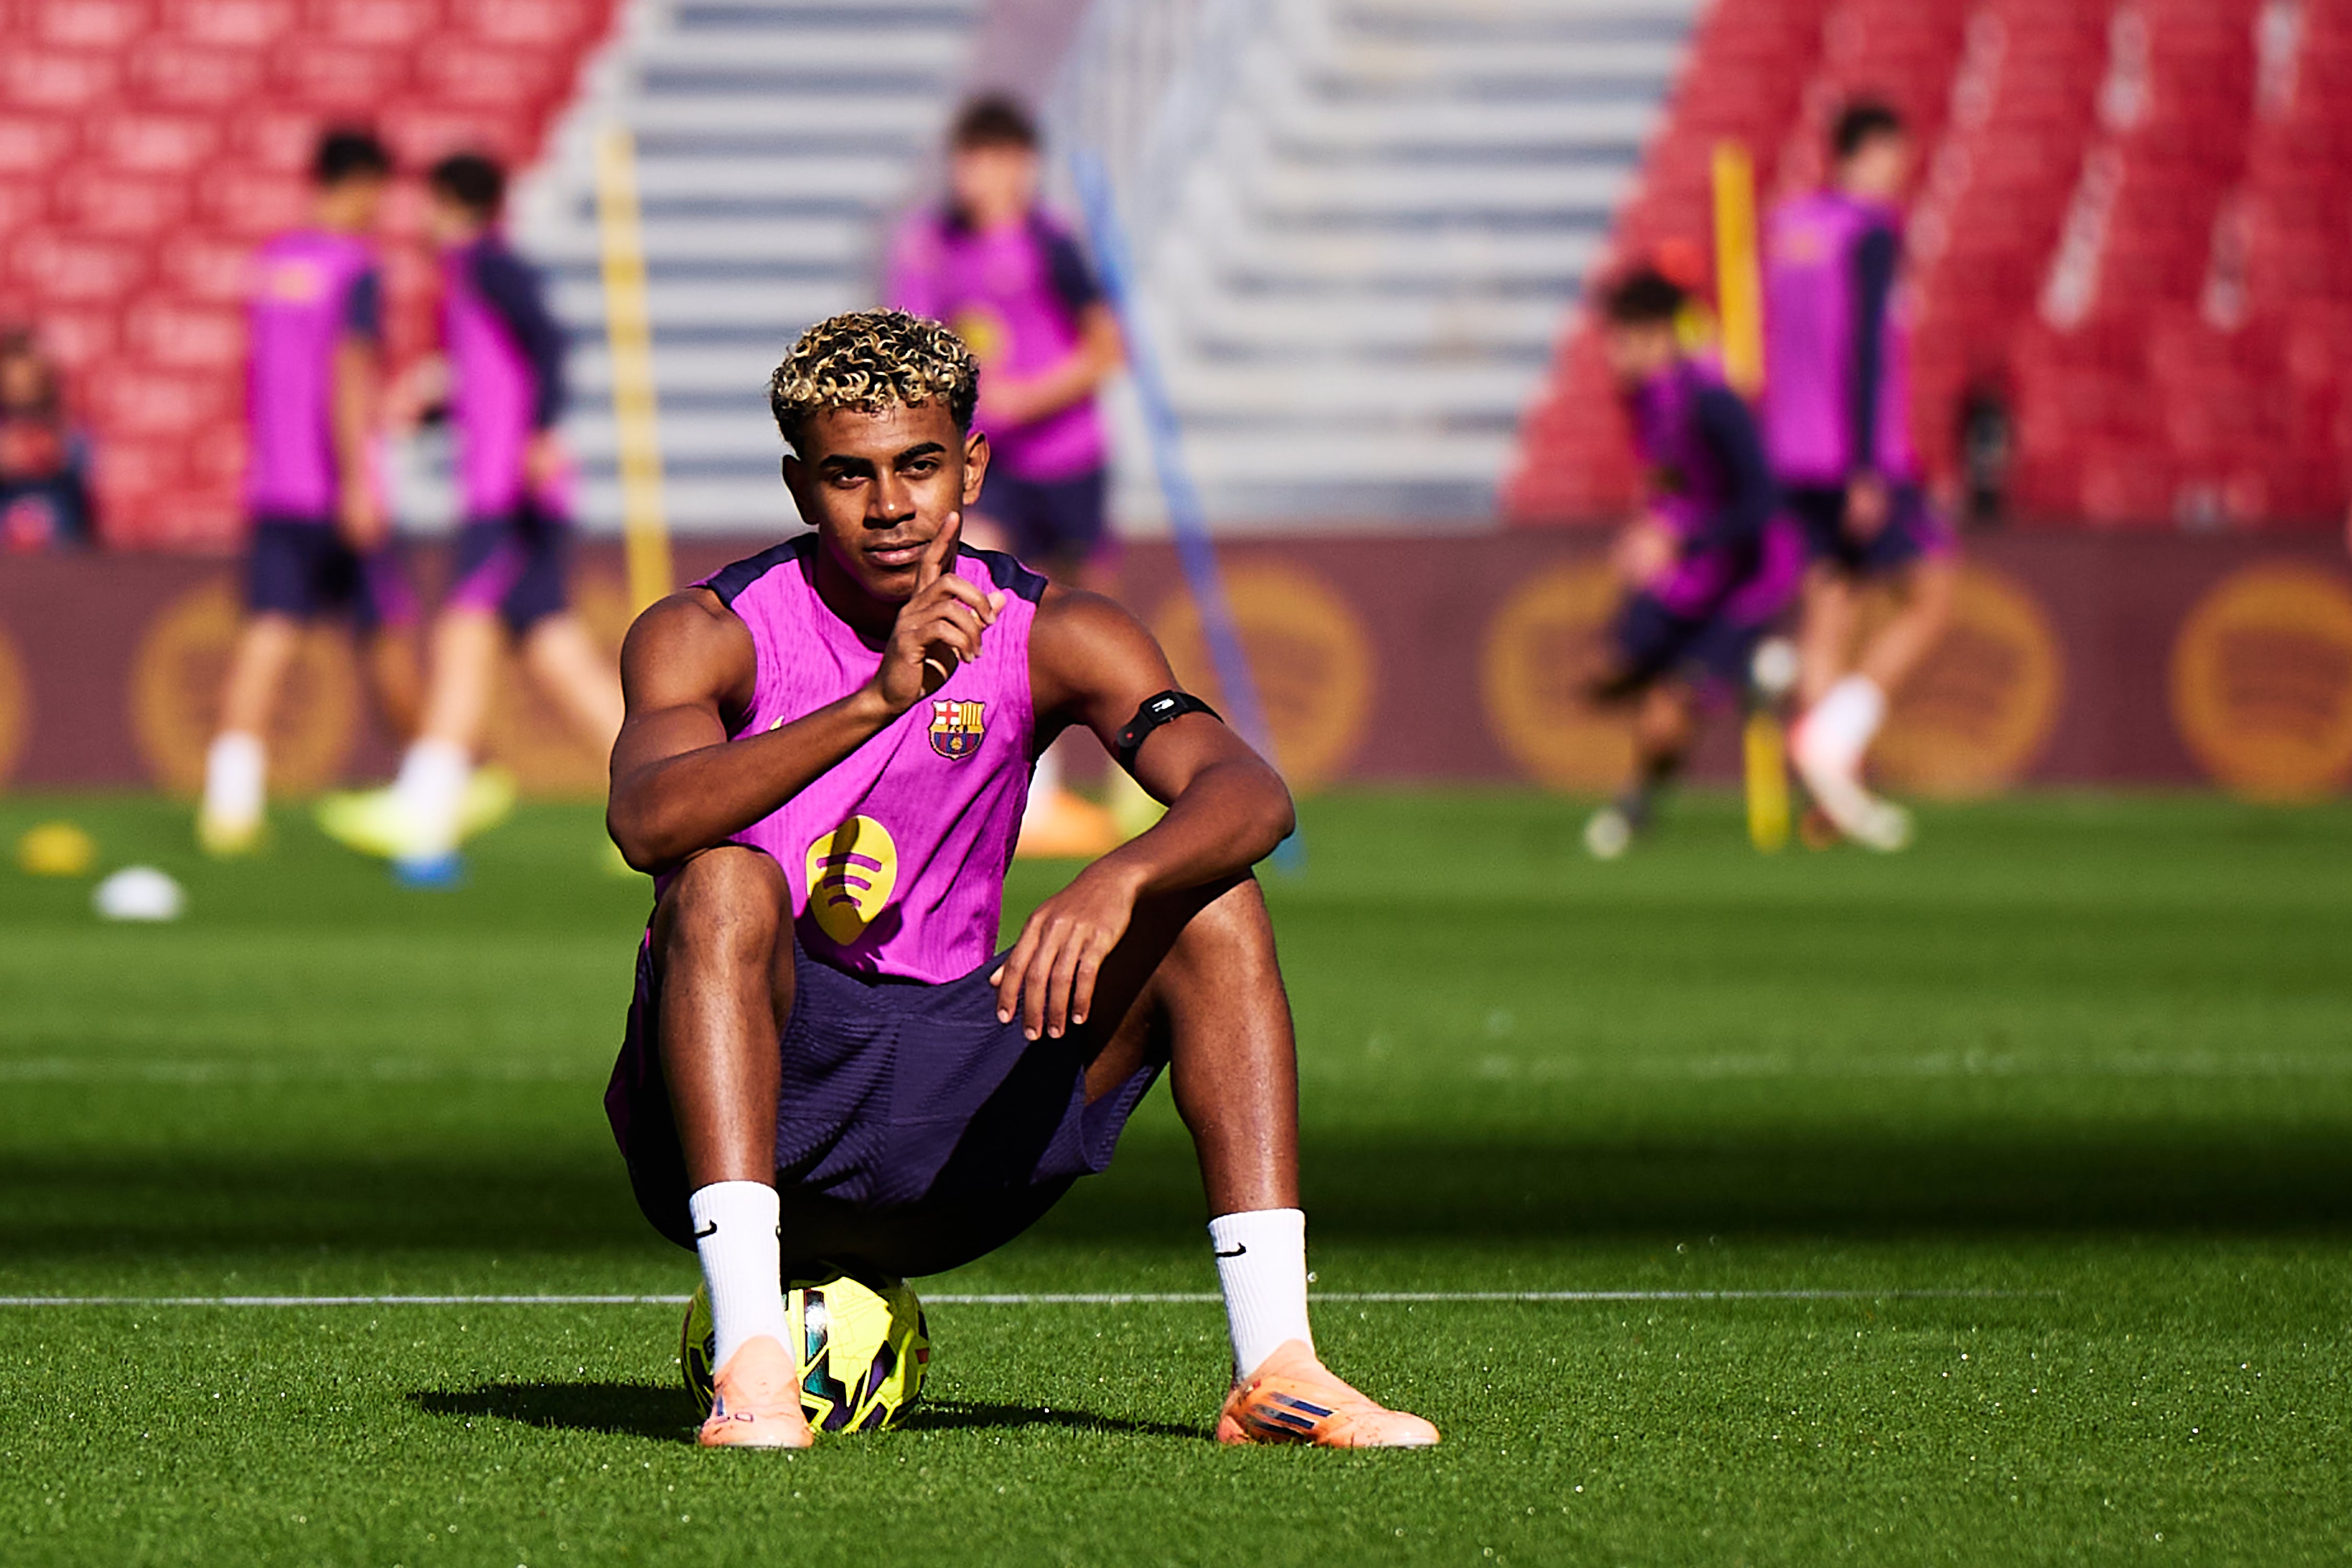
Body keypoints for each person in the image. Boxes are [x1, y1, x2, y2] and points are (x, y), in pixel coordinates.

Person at [602, 310, 1436, 1450]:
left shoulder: (1058, 630)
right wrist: (876, 702)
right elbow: (645, 820)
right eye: (849, 476)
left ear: (972, 467)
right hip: (757, 1101)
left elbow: (1250, 794)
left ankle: (1276, 1368)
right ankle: (755, 1373)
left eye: (919, 467)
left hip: (946, 1109)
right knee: (723, 884)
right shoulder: (708, 630)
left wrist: (1120, 878)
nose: (890, 505)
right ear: (803, 489)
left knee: (1211, 896)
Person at [318, 152, 624, 884]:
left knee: (463, 626)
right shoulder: (467, 277)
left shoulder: (489, 265)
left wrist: (540, 435)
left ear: (448, 202)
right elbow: (499, 379)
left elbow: (548, 345)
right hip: (502, 484)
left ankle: (426, 802)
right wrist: (440, 404)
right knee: (558, 657)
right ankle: (678, 798)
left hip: (509, 494)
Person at [885, 94, 1126, 860]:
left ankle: (1135, 770)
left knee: (1086, 619)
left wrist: (1032, 393)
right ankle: (1034, 787)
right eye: (966, 160)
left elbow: (1107, 350)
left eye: (991, 160)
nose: (975, 177)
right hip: (992, 460)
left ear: (1023, 168)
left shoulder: (1053, 247)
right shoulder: (932, 246)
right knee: (989, 596)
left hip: (1069, 455)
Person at [198, 128, 421, 858]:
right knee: (386, 630)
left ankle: (229, 803)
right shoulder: (354, 268)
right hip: (333, 486)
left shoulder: (270, 265)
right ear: (359, 184)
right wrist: (360, 479)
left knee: (268, 634)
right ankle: (425, 786)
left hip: (274, 483)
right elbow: (347, 373)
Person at [1761, 99, 1955, 851]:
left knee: (1829, 612)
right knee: (1931, 595)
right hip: (1856, 451)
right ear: (1867, 152)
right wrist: (1871, 467)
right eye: (1896, 161)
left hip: (1792, 449)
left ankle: (1826, 803)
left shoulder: (1787, 226)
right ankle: (1834, 739)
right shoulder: (1870, 232)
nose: (1900, 178)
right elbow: (1867, 347)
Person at [1581, 269, 1803, 859]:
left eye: (1622, 338)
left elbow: (1761, 502)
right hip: (1688, 575)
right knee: (1607, 680)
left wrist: (1679, 542)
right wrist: (1652, 529)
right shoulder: (1644, 396)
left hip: (1745, 577)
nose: (1611, 353)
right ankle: (1747, 677)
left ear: (1658, 336)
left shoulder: (1713, 401)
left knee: (1671, 706)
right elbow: (1675, 484)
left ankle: (1634, 805)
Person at [0, 326, 94, 550]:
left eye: (29, 379)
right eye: (13, 381)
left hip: (61, 549)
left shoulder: (66, 427)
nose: (22, 389)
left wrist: (48, 453)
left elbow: (84, 465)